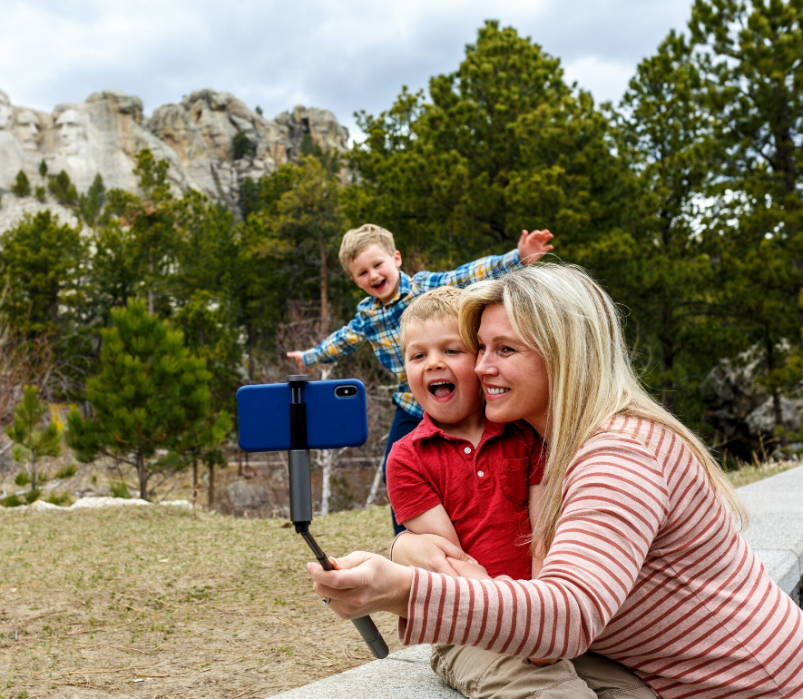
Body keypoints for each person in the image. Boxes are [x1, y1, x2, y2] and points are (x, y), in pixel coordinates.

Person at [308, 263, 803, 698]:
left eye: (504, 349)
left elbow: (565, 616)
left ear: (564, 354)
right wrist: (406, 546)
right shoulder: (557, 439)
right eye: (479, 347)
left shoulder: (618, 454)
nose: (481, 367)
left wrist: (402, 589)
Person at [387, 285, 652, 699]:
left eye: (452, 351)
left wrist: (544, 627)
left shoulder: (525, 434)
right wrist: (515, 626)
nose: (434, 363)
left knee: (633, 692)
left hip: (540, 609)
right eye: (418, 355)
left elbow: (544, 532)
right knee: (554, 694)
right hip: (468, 627)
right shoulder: (407, 458)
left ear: (479, 363)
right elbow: (451, 561)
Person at [288, 223, 554, 534]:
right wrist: (308, 358)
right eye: (362, 273)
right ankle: (407, 537)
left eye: (377, 265)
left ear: (396, 258)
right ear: (354, 280)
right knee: (397, 464)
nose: (373, 276)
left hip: (463, 395)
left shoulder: (425, 288)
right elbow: (340, 342)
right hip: (410, 402)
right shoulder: (366, 318)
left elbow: (467, 274)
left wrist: (516, 257)